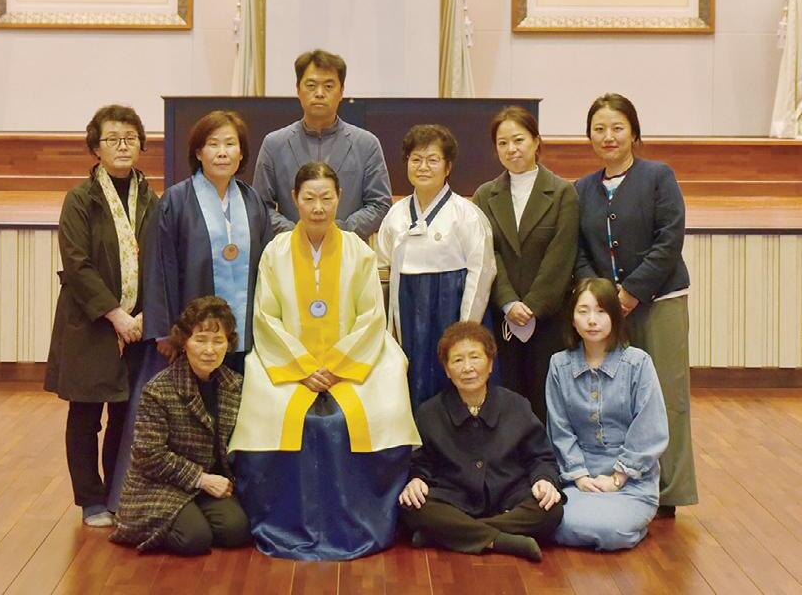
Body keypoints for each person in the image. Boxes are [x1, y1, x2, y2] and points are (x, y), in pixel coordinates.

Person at [230, 162, 420, 561]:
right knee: (267, 405)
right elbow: (265, 317)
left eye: (326, 198)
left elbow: (372, 317)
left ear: (339, 198)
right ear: (294, 199)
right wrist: (302, 368)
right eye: (309, 198)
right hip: (288, 360)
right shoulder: (275, 251)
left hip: (352, 359)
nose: (318, 207)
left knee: (385, 394)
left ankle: (365, 518)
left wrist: (336, 366)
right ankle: (284, 520)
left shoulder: (358, 249)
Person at [107, 109, 272, 512]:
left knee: (234, 414)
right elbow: (159, 267)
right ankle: (173, 495)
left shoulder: (253, 202)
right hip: (187, 341)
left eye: (230, 144)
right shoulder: (176, 201)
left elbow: (266, 269)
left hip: (241, 337)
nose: (222, 152)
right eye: (213, 144)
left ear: (242, 153)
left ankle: (232, 493)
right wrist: (167, 331)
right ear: (198, 152)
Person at [575, 92, 698, 517]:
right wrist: (603, 298)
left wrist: (631, 292)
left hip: (660, 301)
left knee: (665, 395)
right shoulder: (582, 189)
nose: (608, 136)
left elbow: (669, 239)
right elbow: (580, 251)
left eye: (617, 127)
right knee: (616, 398)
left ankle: (669, 491)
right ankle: (622, 481)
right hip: (607, 311)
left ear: (634, 133)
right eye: (599, 129)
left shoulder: (658, 176)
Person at [45, 104, 158, 527]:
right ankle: (90, 499)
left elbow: (161, 259)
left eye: (130, 137)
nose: (122, 145)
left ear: (141, 145)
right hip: (92, 324)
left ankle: (117, 491)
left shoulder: (152, 199)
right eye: (112, 138)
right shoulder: (81, 199)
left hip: (140, 326)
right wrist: (116, 315)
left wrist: (145, 314)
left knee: (125, 414)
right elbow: (77, 264)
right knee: (86, 415)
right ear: (96, 147)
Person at [398, 321, 563, 561]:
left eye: (475, 357)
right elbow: (420, 462)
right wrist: (416, 479)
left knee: (551, 509)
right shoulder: (429, 412)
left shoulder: (516, 405)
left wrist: (544, 479)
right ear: (446, 370)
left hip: (509, 495)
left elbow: (541, 457)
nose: (467, 368)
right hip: (455, 497)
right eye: (457, 360)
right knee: (412, 506)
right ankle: (502, 540)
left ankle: (448, 533)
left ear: (490, 364)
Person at [111, 296, 251, 554]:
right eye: (200, 340)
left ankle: (192, 513)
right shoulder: (158, 389)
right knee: (194, 539)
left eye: (218, 341)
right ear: (184, 342)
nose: (209, 350)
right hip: (159, 484)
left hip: (205, 485)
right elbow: (149, 455)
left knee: (237, 531)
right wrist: (201, 479)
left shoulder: (234, 384)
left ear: (228, 344)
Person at [377, 124, 496, 409]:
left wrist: (466, 331)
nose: (423, 167)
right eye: (416, 159)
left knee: (454, 382)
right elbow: (382, 270)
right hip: (407, 310)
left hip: (451, 306)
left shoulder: (466, 214)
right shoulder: (395, 214)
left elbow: (481, 272)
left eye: (432, 160)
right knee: (410, 384)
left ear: (448, 166)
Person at [472, 106, 578, 423]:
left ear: (536, 141)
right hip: (503, 317)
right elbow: (488, 254)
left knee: (547, 400)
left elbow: (561, 256)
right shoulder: (484, 195)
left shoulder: (562, 192)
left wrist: (532, 306)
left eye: (518, 140)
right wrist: (508, 302)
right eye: (503, 143)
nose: (511, 149)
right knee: (506, 399)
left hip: (548, 318)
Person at [546, 278, 668, 550]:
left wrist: (617, 478)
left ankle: (627, 527)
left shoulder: (638, 363)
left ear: (615, 316)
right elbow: (559, 428)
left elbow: (650, 429)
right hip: (579, 479)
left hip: (632, 481)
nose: (592, 320)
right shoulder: (559, 364)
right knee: (552, 521)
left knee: (610, 529)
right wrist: (579, 476)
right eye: (583, 311)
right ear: (572, 319)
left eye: (601, 311)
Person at [252, 49, 392, 239]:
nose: (319, 93)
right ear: (298, 90)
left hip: (348, 249)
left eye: (328, 86)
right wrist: (296, 234)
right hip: (291, 249)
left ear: (341, 92)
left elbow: (380, 203)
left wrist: (339, 232)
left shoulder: (366, 144)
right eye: (311, 85)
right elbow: (260, 205)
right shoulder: (274, 144)